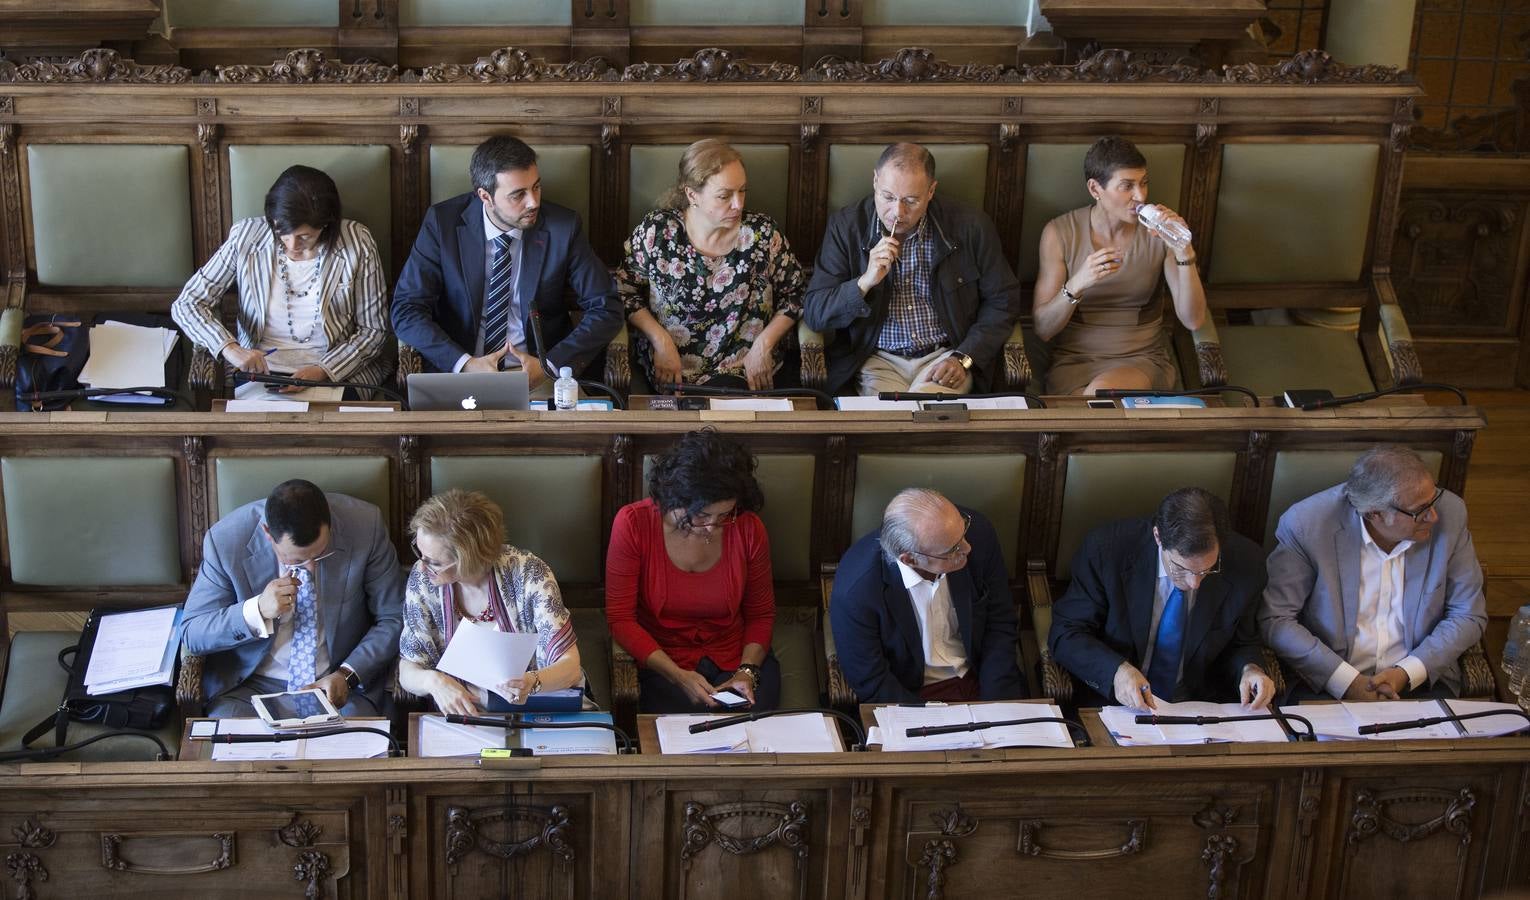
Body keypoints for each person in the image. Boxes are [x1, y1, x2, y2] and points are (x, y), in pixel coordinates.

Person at [391, 135, 622, 395]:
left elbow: (607, 308)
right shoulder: (441, 224)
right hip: (462, 373)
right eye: (518, 195)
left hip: (539, 373)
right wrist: (464, 364)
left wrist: (551, 364)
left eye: (536, 187)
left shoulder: (563, 227)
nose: (533, 202)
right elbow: (406, 309)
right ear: (485, 197)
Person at [1260, 445, 1487, 702]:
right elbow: (1276, 620)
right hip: (1324, 687)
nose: (1433, 516)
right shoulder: (1307, 525)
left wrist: (1406, 672)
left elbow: (1468, 614)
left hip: (1423, 683)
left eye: (1433, 500)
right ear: (1374, 514)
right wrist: (1347, 682)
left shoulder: (1451, 514)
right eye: (1419, 510)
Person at [803, 142, 1019, 396]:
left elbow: (1003, 301)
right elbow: (815, 312)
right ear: (875, 181)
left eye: (911, 201)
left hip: (945, 356)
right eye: (888, 197)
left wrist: (964, 357)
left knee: (929, 418)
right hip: (876, 360)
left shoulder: (971, 226)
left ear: (931, 191)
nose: (897, 212)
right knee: (892, 423)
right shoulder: (845, 227)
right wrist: (864, 282)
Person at [181, 479, 405, 718]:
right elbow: (193, 632)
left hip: (341, 688)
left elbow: (394, 617)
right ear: (268, 534)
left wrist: (347, 674)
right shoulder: (226, 541)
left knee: (364, 748)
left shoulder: (365, 526)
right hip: (249, 691)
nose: (309, 567)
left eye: (320, 555)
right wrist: (256, 611)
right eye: (296, 561)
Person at [1048, 488, 1274, 711]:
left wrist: (1250, 669)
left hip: (1200, 705)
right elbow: (1067, 633)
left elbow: (1243, 642)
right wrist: (1116, 671)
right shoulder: (1106, 551)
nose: (1194, 583)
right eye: (1181, 568)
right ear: (1158, 537)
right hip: (1116, 703)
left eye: (1207, 570)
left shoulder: (1248, 563)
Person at [172, 165, 392, 395]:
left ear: (326, 224)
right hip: (260, 372)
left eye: (304, 237)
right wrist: (230, 348)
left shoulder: (357, 242)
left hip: (338, 371)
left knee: (325, 429)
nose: (292, 246)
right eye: (282, 234)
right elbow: (187, 303)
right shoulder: (246, 236)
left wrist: (322, 370)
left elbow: (373, 330)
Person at [605, 429, 778, 713]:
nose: (713, 526)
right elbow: (620, 619)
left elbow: (761, 615)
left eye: (725, 515)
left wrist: (747, 671)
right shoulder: (633, 524)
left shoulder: (748, 528)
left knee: (756, 731)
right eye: (702, 515)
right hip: (662, 665)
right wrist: (677, 675)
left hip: (737, 658)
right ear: (675, 498)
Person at [617, 139, 806, 391]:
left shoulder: (762, 234)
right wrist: (660, 340)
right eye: (724, 196)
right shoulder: (657, 232)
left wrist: (764, 345)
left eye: (742, 191)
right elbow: (624, 292)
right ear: (692, 194)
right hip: (669, 372)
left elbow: (796, 294)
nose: (738, 204)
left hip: (747, 373)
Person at [1032, 136, 1208, 395]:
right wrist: (1077, 283)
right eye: (1127, 186)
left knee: (1100, 395)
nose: (1141, 196)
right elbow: (1043, 329)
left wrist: (1184, 250)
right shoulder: (1059, 233)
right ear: (1095, 189)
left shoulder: (1159, 233)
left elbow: (1193, 320)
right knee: (1088, 413)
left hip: (1140, 361)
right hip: (1074, 363)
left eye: (1144, 183)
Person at [829, 489, 1027, 703]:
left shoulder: (978, 533)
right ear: (909, 559)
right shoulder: (856, 590)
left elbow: (1000, 623)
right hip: (913, 695)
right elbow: (871, 680)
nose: (968, 548)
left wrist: (996, 705)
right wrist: (930, 722)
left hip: (984, 679)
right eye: (953, 550)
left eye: (964, 533)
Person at [397, 489, 581, 715]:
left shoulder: (529, 574)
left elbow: (570, 668)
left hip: (533, 713)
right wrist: (434, 682)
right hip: (459, 717)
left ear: (468, 559)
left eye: (433, 561)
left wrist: (531, 682)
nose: (422, 566)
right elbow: (408, 669)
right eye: (419, 551)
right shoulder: (422, 578)